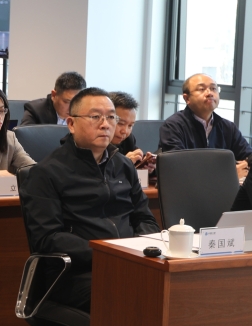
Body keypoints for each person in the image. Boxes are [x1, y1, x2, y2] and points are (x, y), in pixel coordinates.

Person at [21, 88, 159, 311]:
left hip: (127, 262)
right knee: (134, 293)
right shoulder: (46, 172)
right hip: (74, 273)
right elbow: (47, 238)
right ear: (71, 124)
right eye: (95, 117)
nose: (105, 125)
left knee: (172, 285)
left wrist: (141, 248)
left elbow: (144, 218)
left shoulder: (124, 166)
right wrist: (107, 252)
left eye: (111, 117)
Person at [158, 73, 252, 178]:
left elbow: (250, 157)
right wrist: (228, 174)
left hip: (225, 187)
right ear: (187, 98)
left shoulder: (228, 127)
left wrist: (247, 163)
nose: (209, 93)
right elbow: (179, 168)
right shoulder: (173, 127)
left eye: (213, 88)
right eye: (201, 89)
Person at [108, 91, 154, 170]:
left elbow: (134, 166)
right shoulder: (94, 144)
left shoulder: (128, 139)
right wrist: (123, 163)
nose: (125, 131)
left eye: (130, 125)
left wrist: (144, 166)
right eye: (121, 123)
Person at [21, 71, 86, 125]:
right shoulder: (35, 111)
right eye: (67, 102)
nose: (72, 108)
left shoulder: (86, 114)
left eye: (77, 103)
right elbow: (24, 135)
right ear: (54, 95)